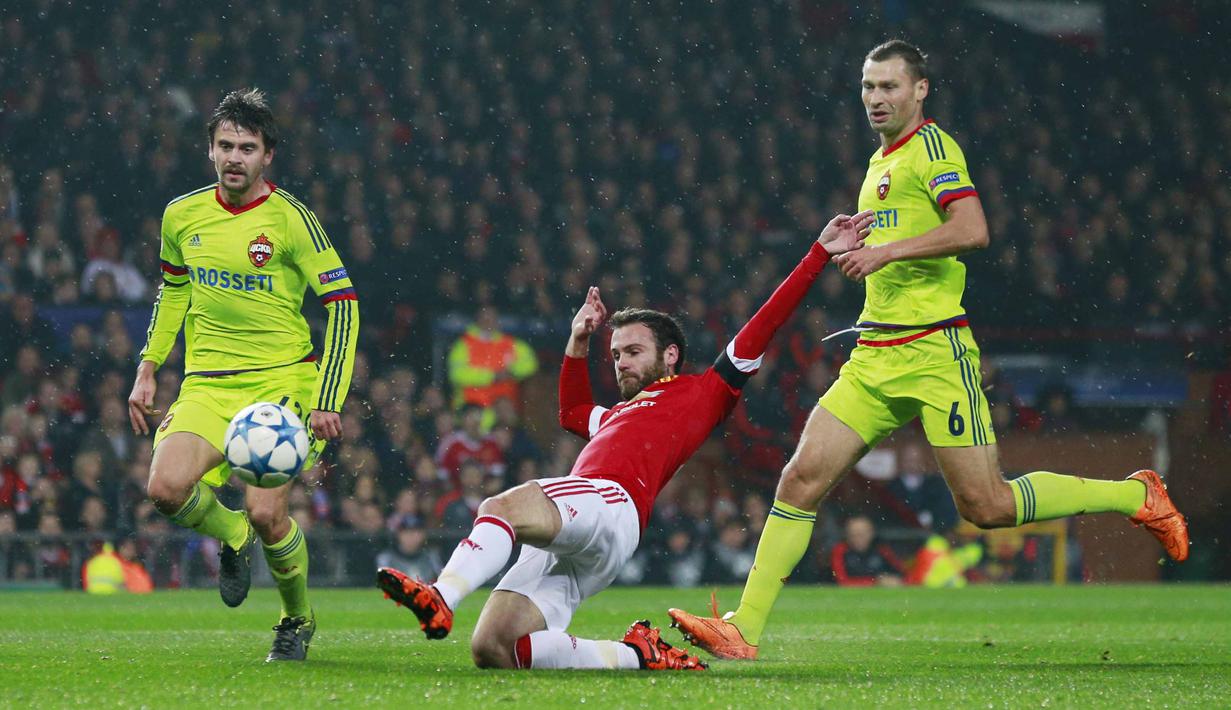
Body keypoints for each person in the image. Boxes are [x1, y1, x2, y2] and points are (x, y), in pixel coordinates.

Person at [668, 39, 1189, 660]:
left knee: (988, 505)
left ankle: (1136, 495)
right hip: (874, 356)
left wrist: (884, 251)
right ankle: (743, 627)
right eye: (868, 87)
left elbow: (974, 228)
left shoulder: (935, 149)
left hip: (937, 354)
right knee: (800, 478)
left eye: (889, 86)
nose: (876, 99)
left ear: (920, 90)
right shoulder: (877, 163)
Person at [376, 210, 874, 671]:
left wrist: (817, 255)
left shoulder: (702, 393)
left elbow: (764, 324)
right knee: (495, 649)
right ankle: (636, 654)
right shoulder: (615, 415)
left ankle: (441, 595)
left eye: (633, 351)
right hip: (589, 537)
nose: (621, 363)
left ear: (671, 355)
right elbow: (571, 412)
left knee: (502, 506)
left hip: (610, 503)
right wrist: (578, 341)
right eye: (615, 355)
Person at [127, 88, 360, 661]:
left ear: (267, 156)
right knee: (164, 489)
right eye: (225, 145)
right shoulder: (182, 215)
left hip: (280, 383)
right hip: (207, 382)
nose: (235, 157)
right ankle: (232, 537)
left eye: (247, 148)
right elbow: (173, 291)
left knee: (267, 511)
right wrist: (148, 366)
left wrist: (329, 395)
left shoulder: (291, 219)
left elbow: (344, 304)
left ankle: (295, 617)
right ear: (210, 150)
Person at [830, 515, 904, 587]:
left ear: (871, 533)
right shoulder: (840, 551)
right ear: (847, 535)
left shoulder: (882, 550)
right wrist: (876, 582)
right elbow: (841, 582)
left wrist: (893, 580)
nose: (858, 538)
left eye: (862, 534)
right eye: (854, 534)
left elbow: (903, 576)